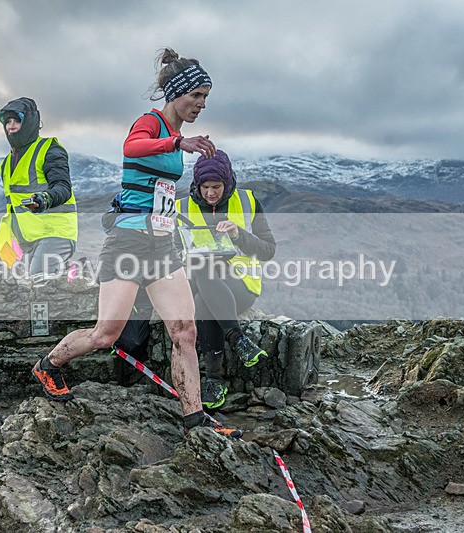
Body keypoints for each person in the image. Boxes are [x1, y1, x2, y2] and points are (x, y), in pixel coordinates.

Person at [32, 48, 241, 438]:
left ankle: (196, 418)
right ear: (177, 92)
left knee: (185, 331)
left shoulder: (179, 135)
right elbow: (131, 148)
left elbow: (156, 188)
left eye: (206, 98)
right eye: (196, 95)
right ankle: (48, 364)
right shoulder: (151, 124)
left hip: (162, 246)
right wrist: (177, 146)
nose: (201, 104)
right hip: (127, 244)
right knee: (105, 335)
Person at [176, 149, 276, 410]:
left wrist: (239, 234)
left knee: (203, 293)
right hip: (198, 282)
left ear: (227, 182)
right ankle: (238, 340)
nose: (210, 193)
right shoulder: (180, 207)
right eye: (205, 186)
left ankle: (213, 379)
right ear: (197, 184)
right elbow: (168, 252)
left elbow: (268, 250)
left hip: (240, 287)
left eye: (216, 186)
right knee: (202, 274)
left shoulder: (248, 201)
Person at [0, 97, 77, 277]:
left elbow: (63, 187)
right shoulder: (6, 164)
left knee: (38, 279)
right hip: (25, 239)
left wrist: (43, 199)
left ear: (30, 122)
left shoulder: (49, 149)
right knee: (16, 286)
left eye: (17, 120)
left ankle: (74, 277)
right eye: (7, 122)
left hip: (54, 232)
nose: (11, 126)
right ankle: (68, 274)